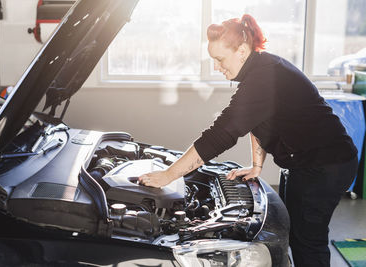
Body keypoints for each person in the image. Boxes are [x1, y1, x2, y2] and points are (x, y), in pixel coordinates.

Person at [138, 14, 358, 267]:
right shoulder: (261, 70)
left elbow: (221, 134)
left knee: (308, 239)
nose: (217, 67)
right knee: (295, 233)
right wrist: (257, 166)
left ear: (241, 50)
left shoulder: (263, 78)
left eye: (220, 59)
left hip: (325, 165)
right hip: (307, 162)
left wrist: (169, 175)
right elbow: (257, 122)